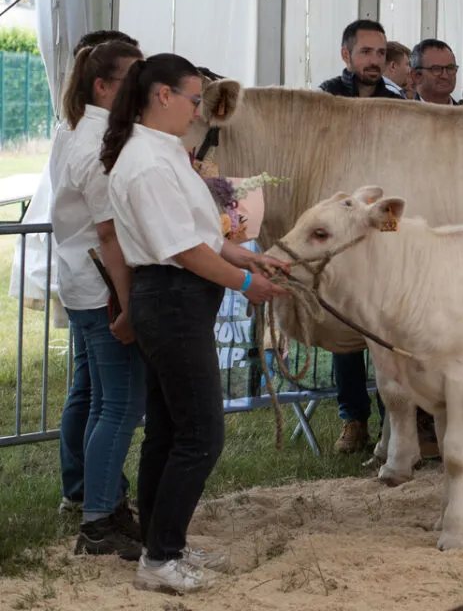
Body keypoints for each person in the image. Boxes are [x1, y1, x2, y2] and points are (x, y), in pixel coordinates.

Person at [101, 54, 288, 593]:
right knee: (202, 432)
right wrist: (248, 286)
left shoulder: (163, 155)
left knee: (169, 428)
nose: (196, 109)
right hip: (173, 297)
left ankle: (164, 543)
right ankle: (159, 558)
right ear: (162, 95)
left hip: (179, 297)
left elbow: (200, 234)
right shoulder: (149, 161)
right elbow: (181, 248)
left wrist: (245, 257)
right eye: (191, 98)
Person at [53, 40, 146, 559]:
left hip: (84, 280)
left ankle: (101, 504)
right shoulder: (97, 147)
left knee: (99, 400)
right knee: (121, 405)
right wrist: (130, 306)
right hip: (103, 287)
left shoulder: (84, 132)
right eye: (131, 77)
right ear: (103, 87)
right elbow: (110, 237)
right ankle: (98, 520)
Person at [320, 20, 402, 454]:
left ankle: (397, 423)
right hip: (341, 226)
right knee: (348, 328)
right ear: (346, 54)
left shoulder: (400, 102)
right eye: (366, 51)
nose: (375, 60)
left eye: (381, 52)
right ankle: (353, 420)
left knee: (391, 325)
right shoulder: (325, 98)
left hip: (387, 225)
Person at [411, 39, 460, 105]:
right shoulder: (398, 113)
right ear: (417, 76)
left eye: (450, 68)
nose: (445, 76)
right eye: (436, 69)